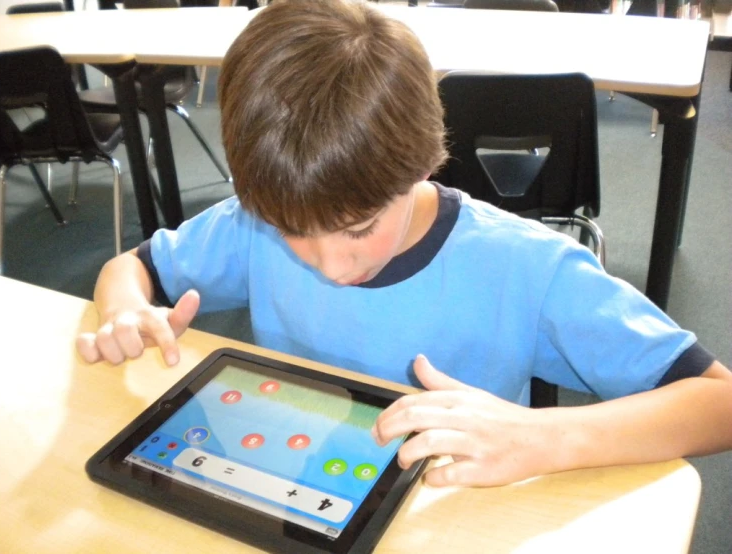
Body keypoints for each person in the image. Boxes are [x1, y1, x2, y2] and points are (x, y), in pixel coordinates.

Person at [76, 0, 732, 488]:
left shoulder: (526, 268)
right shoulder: (252, 220)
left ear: (423, 163)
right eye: (293, 232)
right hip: (301, 485)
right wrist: (126, 310)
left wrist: (544, 436)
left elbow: (717, 402)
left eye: (359, 228)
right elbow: (129, 270)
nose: (332, 265)